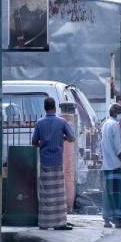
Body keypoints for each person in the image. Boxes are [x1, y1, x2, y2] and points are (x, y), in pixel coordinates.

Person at [32, 97, 76, 230]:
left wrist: (44, 144)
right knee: (58, 194)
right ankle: (59, 223)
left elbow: (34, 142)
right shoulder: (61, 122)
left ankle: (45, 223)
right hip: (57, 162)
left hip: (45, 162)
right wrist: (62, 138)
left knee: (46, 193)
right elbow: (72, 138)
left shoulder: (39, 123)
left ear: (45, 108)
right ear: (55, 108)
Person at [101, 103, 121, 228]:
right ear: (116, 113)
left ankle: (107, 219)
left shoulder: (106, 124)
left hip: (107, 164)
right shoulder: (115, 125)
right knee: (118, 194)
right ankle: (119, 219)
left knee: (108, 193)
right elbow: (118, 148)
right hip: (116, 165)